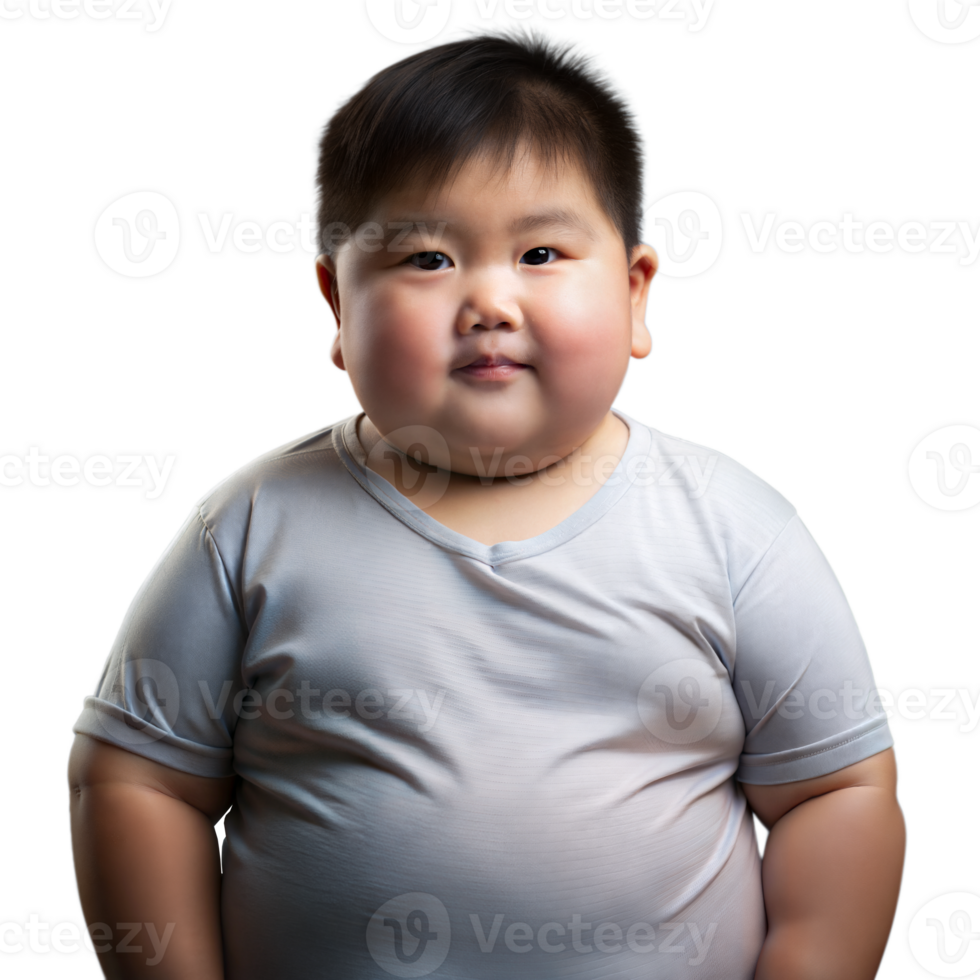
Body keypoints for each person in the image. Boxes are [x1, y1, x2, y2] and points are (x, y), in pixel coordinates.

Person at [66, 20, 908, 980]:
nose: (489, 303)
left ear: (637, 295)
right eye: (427, 259)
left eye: (542, 253)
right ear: (337, 308)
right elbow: (138, 780)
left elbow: (834, 790)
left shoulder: (733, 527)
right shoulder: (251, 526)